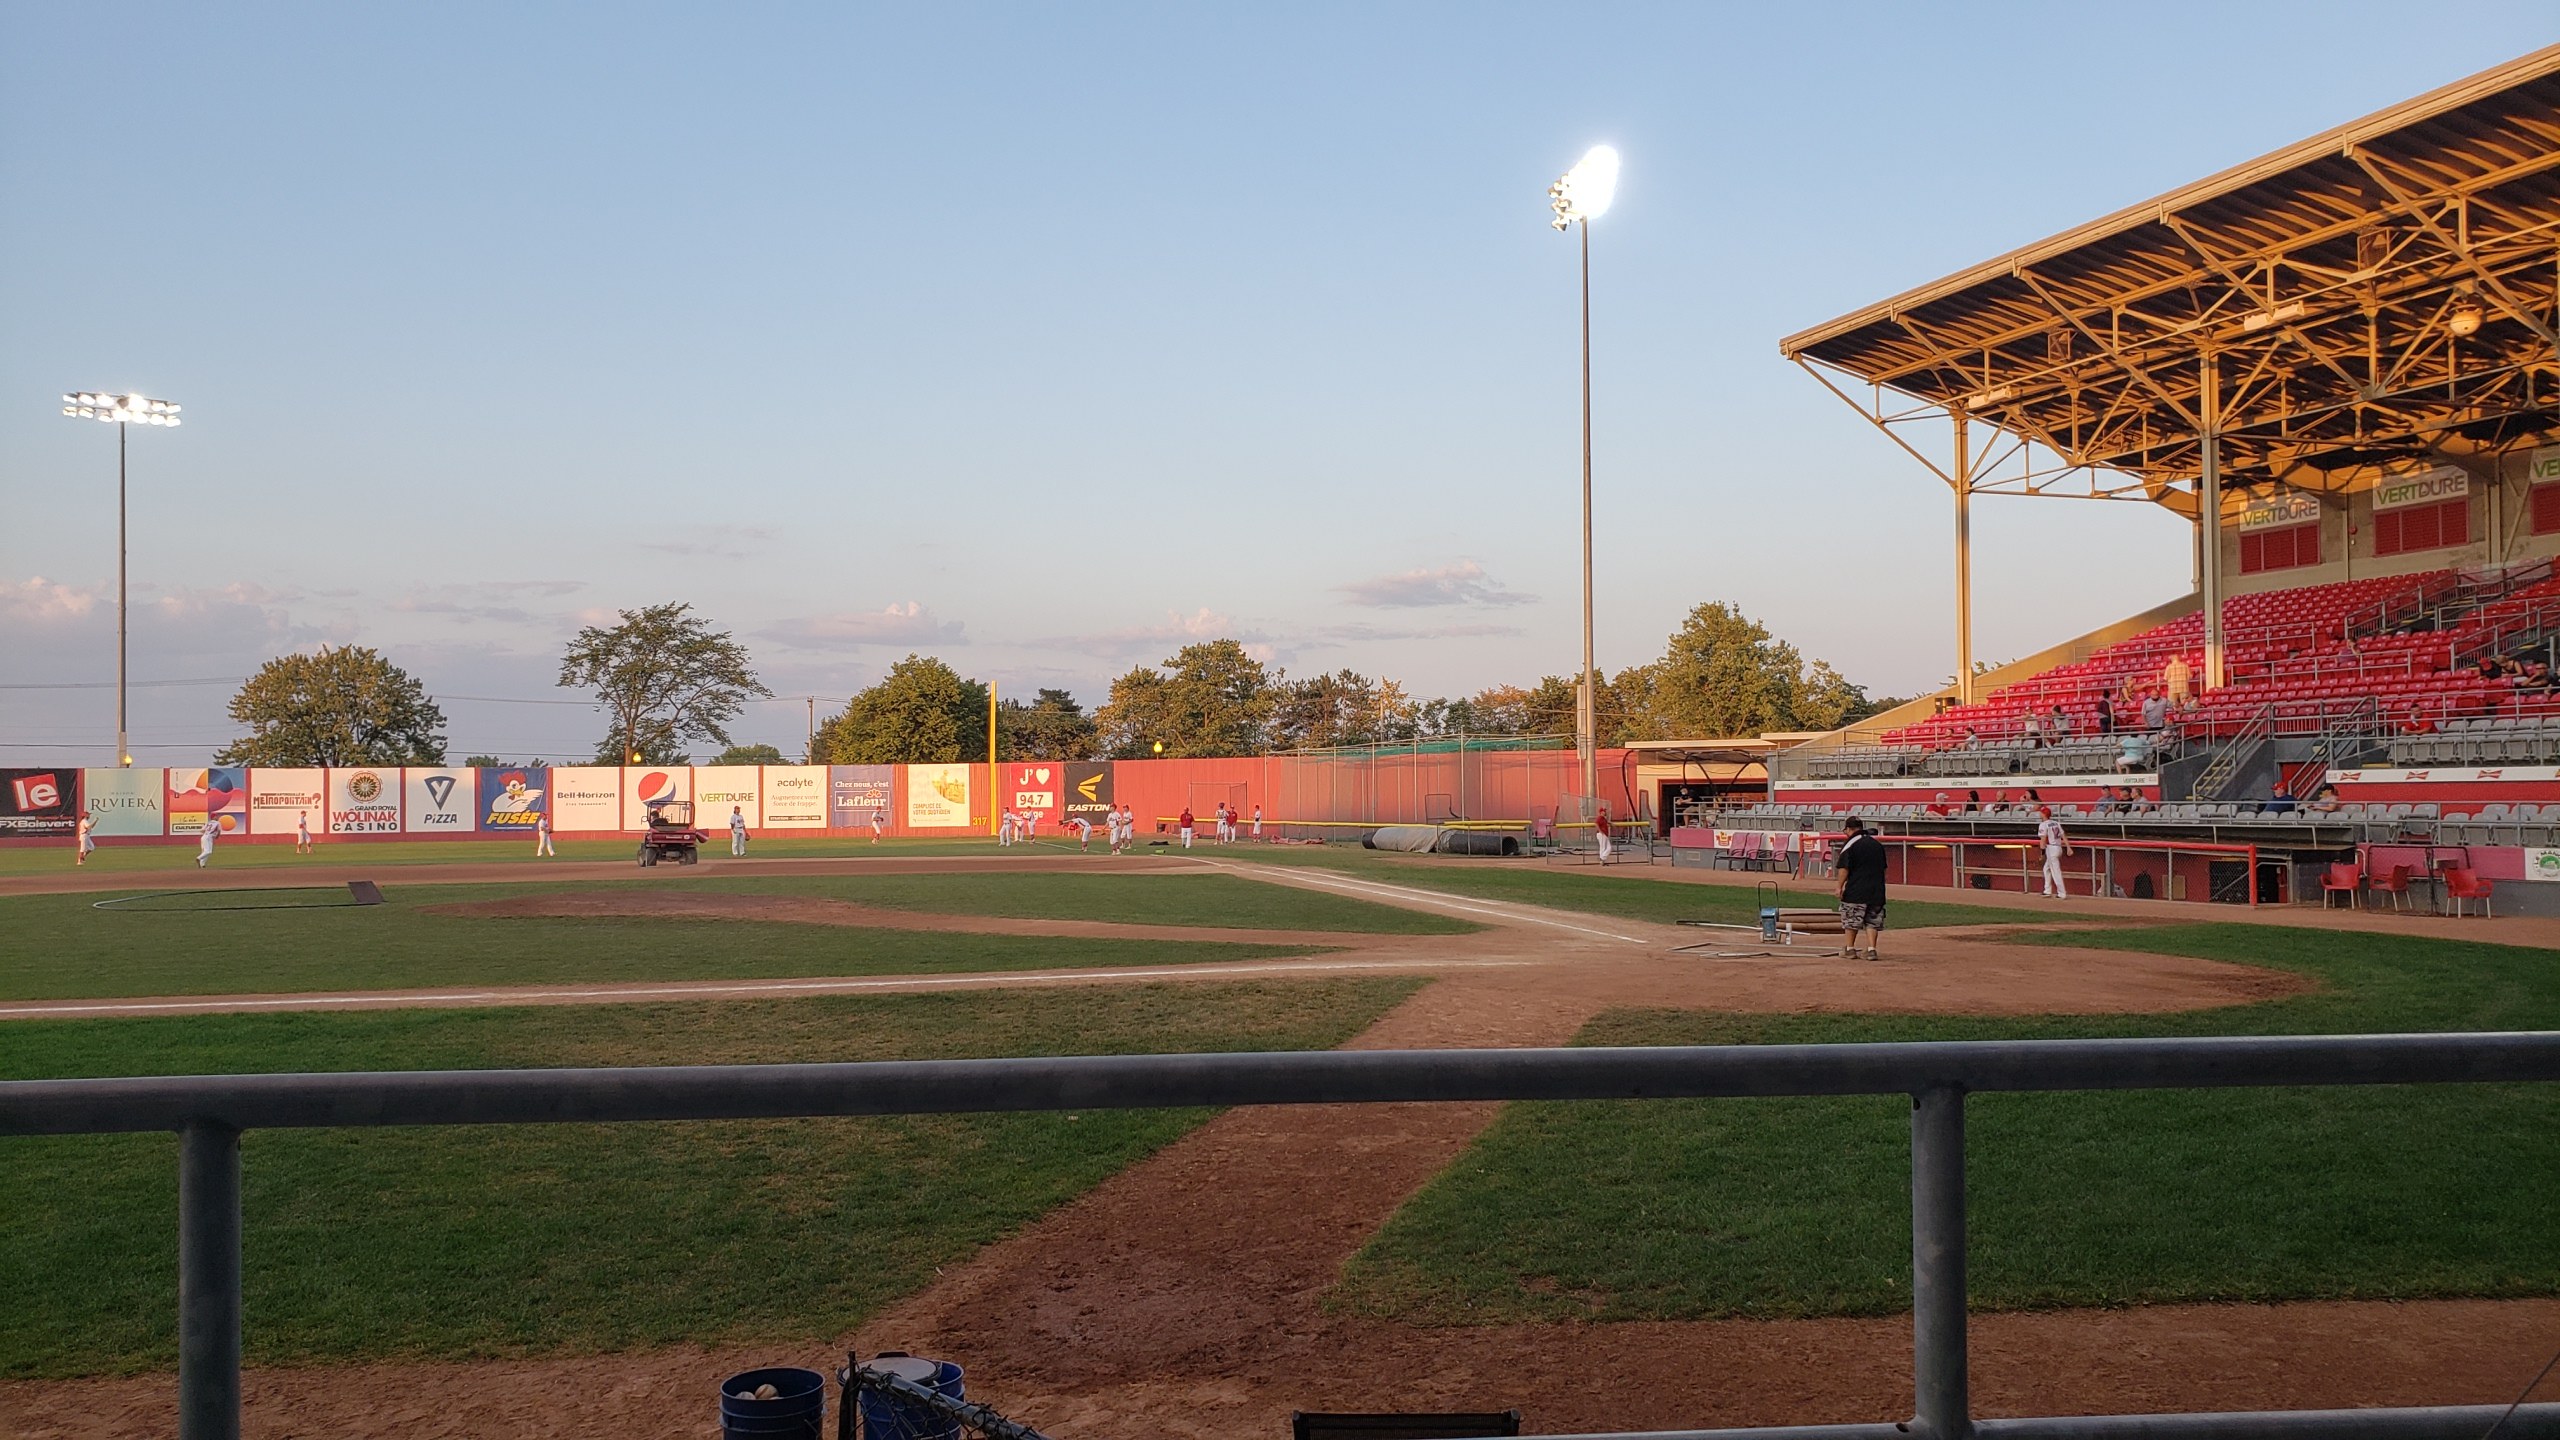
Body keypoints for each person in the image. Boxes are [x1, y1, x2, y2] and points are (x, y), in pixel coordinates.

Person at [1834, 814, 1889, 962]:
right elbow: (1883, 868)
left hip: (1856, 890)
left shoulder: (1850, 844)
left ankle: (1850, 949)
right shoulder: (1876, 844)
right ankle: (1871, 950)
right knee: (1872, 921)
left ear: (1850, 829)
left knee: (1851, 919)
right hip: (1877, 890)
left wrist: (1839, 887)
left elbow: (1844, 868)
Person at [2036, 807, 2070, 899]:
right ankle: (2047, 891)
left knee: (2056, 872)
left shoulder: (2043, 824)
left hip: (2051, 849)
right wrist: (2068, 847)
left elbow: (2043, 840)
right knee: (2046, 869)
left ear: (2044, 814)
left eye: (2041, 812)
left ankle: (2062, 893)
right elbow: (2063, 835)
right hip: (2058, 848)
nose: (2039, 814)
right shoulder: (2056, 823)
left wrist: (2042, 854)